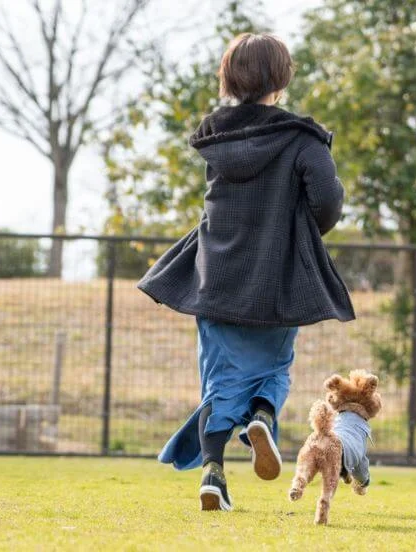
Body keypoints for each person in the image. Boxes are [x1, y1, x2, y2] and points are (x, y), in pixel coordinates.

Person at [137, 32, 355, 512]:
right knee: (274, 365)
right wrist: (298, 234)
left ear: (229, 78)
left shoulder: (217, 136)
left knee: (218, 377)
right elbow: (328, 200)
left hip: (215, 273)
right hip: (275, 276)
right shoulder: (300, 137)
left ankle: (212, 475)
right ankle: (261, 414)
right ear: (280, 79)